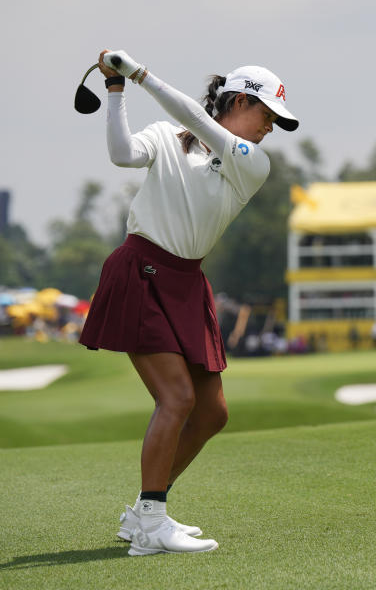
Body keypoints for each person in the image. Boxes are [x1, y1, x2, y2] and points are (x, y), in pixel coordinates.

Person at [78, 49, 299, 556]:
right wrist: (117, 92)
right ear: (240, 101)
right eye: (267, 116)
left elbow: (198, 120)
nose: (270, 130)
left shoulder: (254, 163)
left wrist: (139, 75)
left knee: (212, 412)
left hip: (186, 282)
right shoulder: (165, 137)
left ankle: (143, 511)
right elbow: (123, 154)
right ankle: (152, 522)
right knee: (176, 399)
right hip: (141, 271)